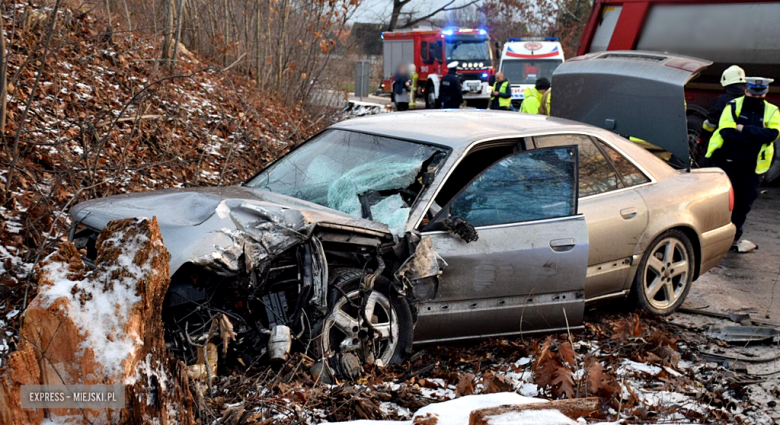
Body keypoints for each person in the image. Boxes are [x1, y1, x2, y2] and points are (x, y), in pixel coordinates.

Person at [705, 77, 779, 248]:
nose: (756, 97)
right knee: (724, 202)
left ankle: (733, 238)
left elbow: (772, 135)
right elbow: (726, 132)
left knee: (743, 203)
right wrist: (755, 136)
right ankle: (716, 238)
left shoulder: (773, 111)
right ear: (746, 90)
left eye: (759, 95)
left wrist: (744, 129)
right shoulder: (732, 105)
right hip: (728, 162)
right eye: (753, 93)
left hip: (752, 167)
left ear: (766, 93)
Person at [698, 66, 747, 162]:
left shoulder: (722, 101)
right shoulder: (750, 100)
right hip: (746, 147)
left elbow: (710, 124)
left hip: (723, 148)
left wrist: (702, 138)